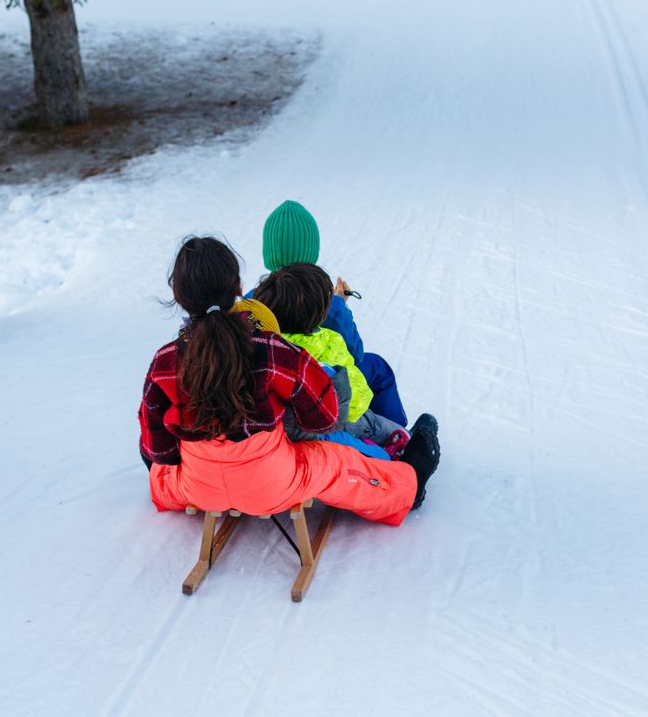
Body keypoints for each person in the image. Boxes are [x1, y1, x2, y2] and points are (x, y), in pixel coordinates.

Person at [139, 236, 441, 523]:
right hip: (272, 486)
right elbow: (324, 419)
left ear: (177, 296)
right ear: (239, 287)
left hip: (200, 490)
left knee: (165, 475)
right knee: (332, 460)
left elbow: (158, 451)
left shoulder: (165, 361)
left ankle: (200, 482)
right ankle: (405, 488)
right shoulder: (272, 349)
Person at [259, 200, 408, 426]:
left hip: (280, 388)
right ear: (311, 251)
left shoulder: (256, 297)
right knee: (376, 367)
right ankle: (396, 434)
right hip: (322, 387)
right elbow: (354, 355)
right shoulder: (322, 302)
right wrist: (339, 304)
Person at [252, 263, 413, 459]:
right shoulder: (329, 342)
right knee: (386, 429)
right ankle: (404, 444)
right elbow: (353, 402)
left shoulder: (260, 339)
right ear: (320, 314)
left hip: (288, 425)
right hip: (334, 421)